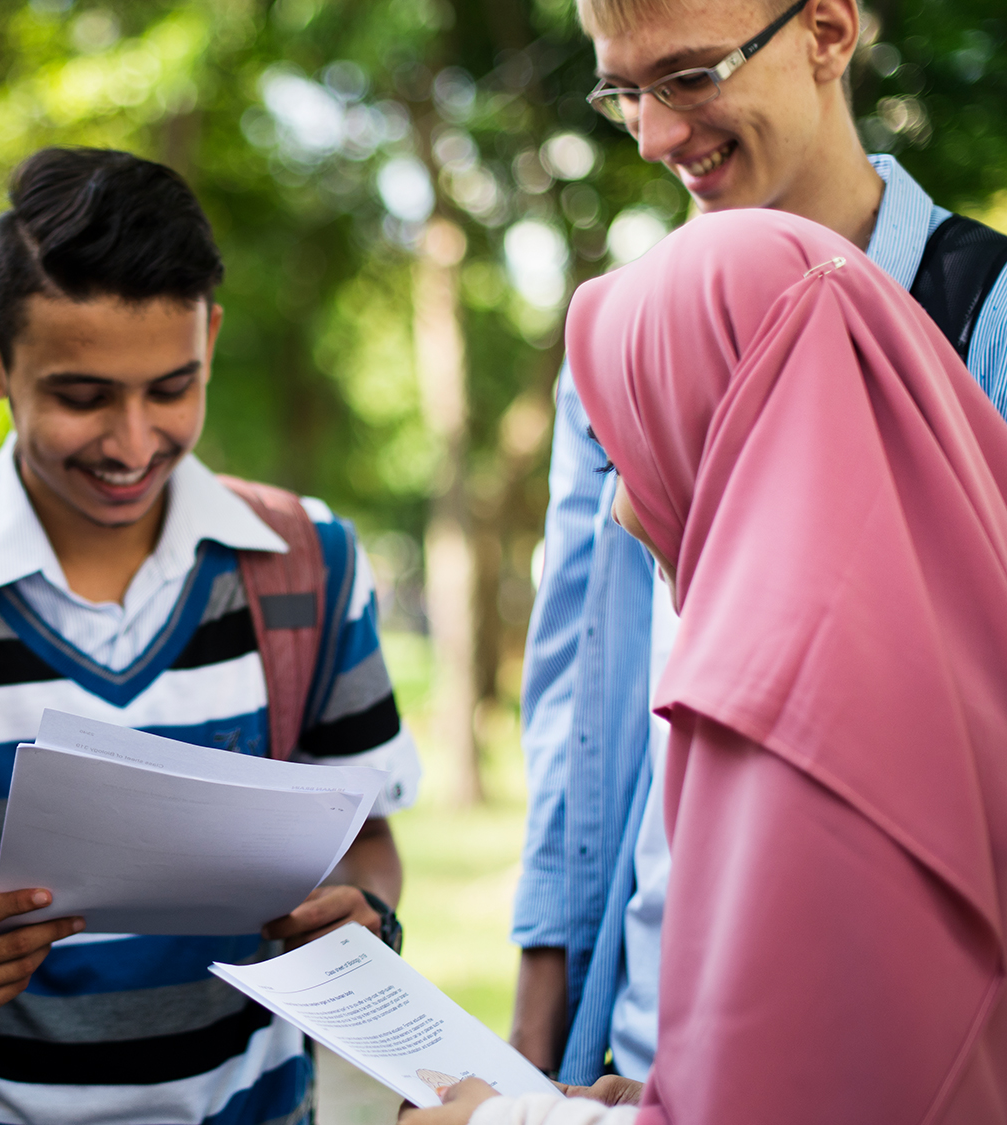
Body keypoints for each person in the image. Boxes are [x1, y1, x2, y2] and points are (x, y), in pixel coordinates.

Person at [0, 147, 423, 1125]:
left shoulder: (307, 565)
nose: (129, 442)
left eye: (171, 388)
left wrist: (363, 918)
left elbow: (365, 841)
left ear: (211, 339)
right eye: (81, 396)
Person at [421, 206, 1007, 1124]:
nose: (617, 509)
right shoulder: (953, 643)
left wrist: (495, 1119)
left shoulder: (782, 713)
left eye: (646, 433)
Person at [511, 0, 1007, 1084]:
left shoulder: (990, 320)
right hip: (629, 1044)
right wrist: (538, 1044)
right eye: (618, 92)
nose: (648, 136)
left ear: (826, 34)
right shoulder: (623, 342)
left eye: (686, 77)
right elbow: (579, 706)